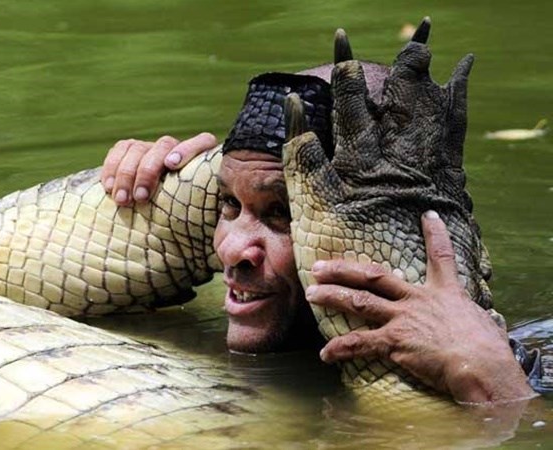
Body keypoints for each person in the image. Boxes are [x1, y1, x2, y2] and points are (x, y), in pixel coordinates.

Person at [98, 47, 539, 403]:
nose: (232, 251)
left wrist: (492, 378)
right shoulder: (204, 312)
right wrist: (138, 197)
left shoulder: (526, 370)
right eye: (230, 204)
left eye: (280, 214)